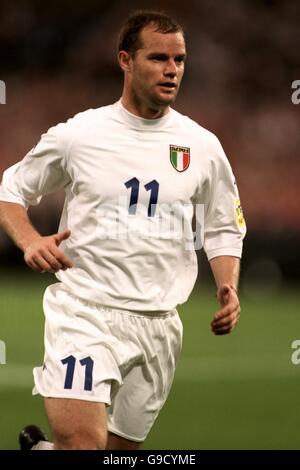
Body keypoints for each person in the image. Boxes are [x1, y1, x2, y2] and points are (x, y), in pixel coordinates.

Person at [0, 10, 246, 450]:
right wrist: (30, 239)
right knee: (84, 445)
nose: (172, 70)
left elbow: (224, 223)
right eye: (158, 58)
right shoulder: (81, 134)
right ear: (125, 60)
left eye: (180, 60)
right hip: (85, 311)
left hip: (159, 325)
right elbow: (11, 189)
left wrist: (228, 284)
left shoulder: (202, 145)